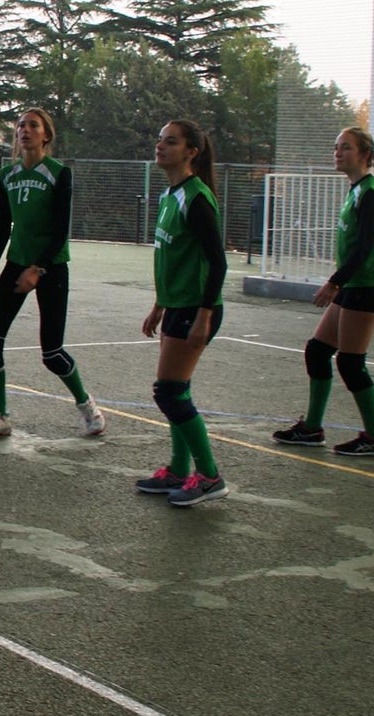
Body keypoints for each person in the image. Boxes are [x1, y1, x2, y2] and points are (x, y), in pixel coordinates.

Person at [0, 108, 105, 440]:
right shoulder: (8, 174)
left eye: (33, 125)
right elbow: (3, 226)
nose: (24, 130)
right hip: (17, 263)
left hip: (51, 266)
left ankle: (87, 405)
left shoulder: (59, 173)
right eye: (20, 125)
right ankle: (0, 415)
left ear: (46, 135)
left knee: (52, 353)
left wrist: (39, 268)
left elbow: (61, 229)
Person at [272, 127, 374, 456]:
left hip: (366, 288)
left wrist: (335, 281)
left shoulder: (369, 193)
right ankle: (312, 428)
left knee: (352, 364)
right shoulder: (355, 190)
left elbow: (365, 248)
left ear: (365, 156)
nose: (338, 153)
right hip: (354, 287)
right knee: (317, 350)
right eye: (336, 147)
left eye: (346, 148)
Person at [135, 120, 230, 507]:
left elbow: (217, 263)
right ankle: (177, 468)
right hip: (176, 305)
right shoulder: (168, 196)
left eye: (170, 142)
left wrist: (205, 316)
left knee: (170, 392)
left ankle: (209, 476)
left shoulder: (196, 197)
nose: (160, 146)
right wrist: (159, 304)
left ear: (191, 152)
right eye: (159, 139)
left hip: (196, 307)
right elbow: (173, 259)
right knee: (177, 390)